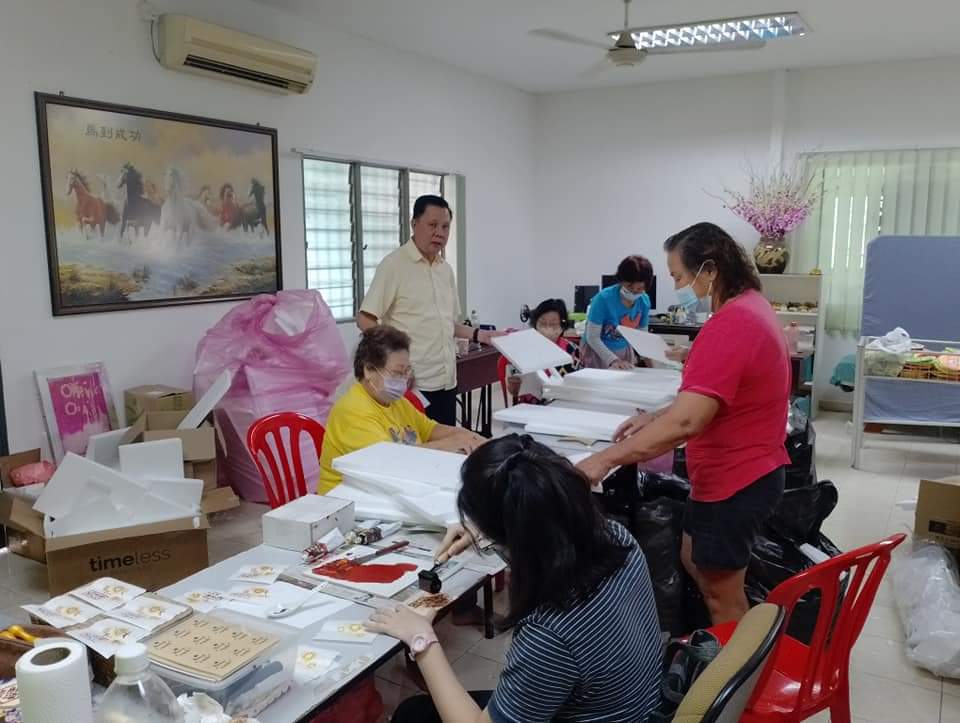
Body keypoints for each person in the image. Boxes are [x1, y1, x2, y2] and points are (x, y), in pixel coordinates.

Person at [577, 222, 790, 626]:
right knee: (694, 557)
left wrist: (605, 459)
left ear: (709, 270)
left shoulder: (733, 322)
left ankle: (736, 676)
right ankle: (721, 649)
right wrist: (657, 417)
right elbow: (707, 400)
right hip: (732, 473)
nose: (676, 286)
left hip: (738, 479)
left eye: (678, 275)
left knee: (722, 595)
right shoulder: (749, 306)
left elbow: (689, 421)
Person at [367, 434, 663, 723]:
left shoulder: (549, 634)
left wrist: (422, 639)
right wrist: (495, 528)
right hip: (638, 704)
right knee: (418, 710)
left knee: (413, 715)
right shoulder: (617, 539)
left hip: (610, 710)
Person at [359, 195, 502, 426]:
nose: (440, 233)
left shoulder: (445, 270)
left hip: (446, 379)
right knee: (415, 452)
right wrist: (390, 361)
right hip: (412, 384)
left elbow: (448, 324)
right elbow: (365, 318)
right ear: (414, 224)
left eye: (445, 227)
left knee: (446, 448)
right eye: (432, 225)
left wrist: (480, 335)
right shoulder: (394, 265)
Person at [318, 326, 485, 495]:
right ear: (368, 370)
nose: (403, 380)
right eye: (397, 373)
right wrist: (449, 445)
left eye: (407, 372)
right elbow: (393, 461)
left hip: (388, 489)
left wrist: (469, 437)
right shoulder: (353, 410)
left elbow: (430, 429)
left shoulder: (395, 402)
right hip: (350, 501)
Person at [583, 255, 654, 369]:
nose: (635, 292)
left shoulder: (644, 301)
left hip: (624, 351)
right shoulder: (603, 299)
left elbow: (642, 339)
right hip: (599, 353)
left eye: (639, 289)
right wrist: (613, 360)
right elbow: (592, 337)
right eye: (630, 287)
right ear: (621, 281)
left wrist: (653, 367)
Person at [505, 298, 581, 404]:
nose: (547, 328)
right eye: (543, 323)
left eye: (553, 324)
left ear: (562, 326)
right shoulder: (524, 350)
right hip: (530, 408)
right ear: (535, 324)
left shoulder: (572, 351)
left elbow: (579, 389)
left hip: (563, 407)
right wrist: (514, 386)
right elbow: (514, 392)